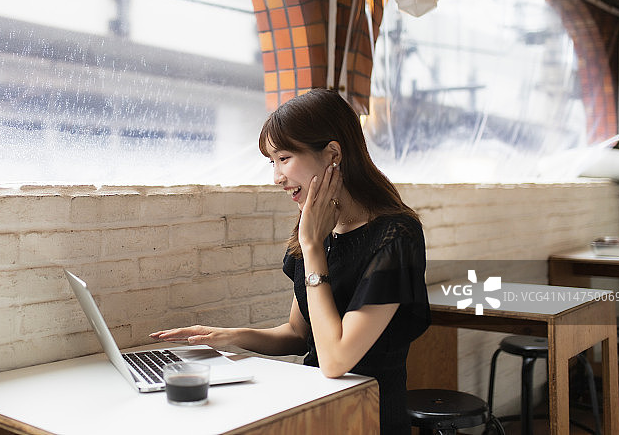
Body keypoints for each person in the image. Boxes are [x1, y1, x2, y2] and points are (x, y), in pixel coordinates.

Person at [151, 88, 430, 433]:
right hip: (313, 402)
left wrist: (312, 247)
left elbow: (336, 360)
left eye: (284, 158)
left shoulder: (396, 236)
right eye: (272, 161)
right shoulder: (315, 227)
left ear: (332, 154)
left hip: (366, 415)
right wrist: (228, 336)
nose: (276, 177)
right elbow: (299, 334)